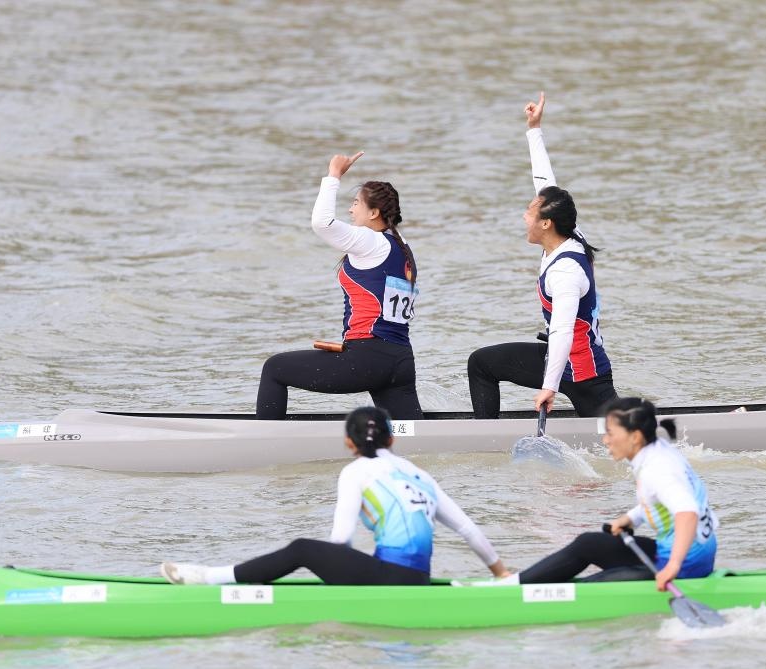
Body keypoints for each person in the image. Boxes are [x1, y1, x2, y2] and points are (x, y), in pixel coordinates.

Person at [161, 406, 509, 586]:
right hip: (417, 578)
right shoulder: (419, 474)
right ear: (392, 439)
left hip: (391, 579)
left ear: (348, 442)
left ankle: (213, 579)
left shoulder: (355, 472)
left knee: (302, 549)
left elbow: (341, 541)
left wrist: (338, 569)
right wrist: (501, 576)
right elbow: (468, 529)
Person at [468, 92, 616, 419]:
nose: (524, 217)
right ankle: (486, 433)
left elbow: (562, 330)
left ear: (546, 223)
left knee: (621, 434)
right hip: (566, 360)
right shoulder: (570, 234)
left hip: (582, 371)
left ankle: (484, 437)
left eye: (529, 212)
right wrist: (534, 129)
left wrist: (549, 387)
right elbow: (545, 183)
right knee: (482, 363)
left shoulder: (565, 272)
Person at [482, 397, 718, 590]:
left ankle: (512, 589)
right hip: (693, 553)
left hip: (684, 563)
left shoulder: (656, 469)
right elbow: (661, 499)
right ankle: (518, 583)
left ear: (635, 437)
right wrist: (630, 519)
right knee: (589, 544)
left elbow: (688, 512)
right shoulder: (659, 451)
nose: (605, 440)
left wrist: (673, 566)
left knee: (587, 577)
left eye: (610, 434)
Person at [256, 152, 424, 420]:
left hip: (368, 360)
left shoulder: (370, 241)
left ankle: (264, 438)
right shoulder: (402, 245)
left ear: (374, 213)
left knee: (275, 369)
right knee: (407, 433)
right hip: (400, 361)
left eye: (356, 203)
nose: (350, 210)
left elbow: (321, 223)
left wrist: (333, 175)